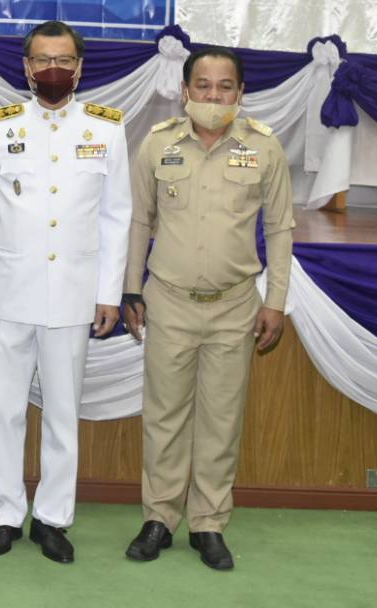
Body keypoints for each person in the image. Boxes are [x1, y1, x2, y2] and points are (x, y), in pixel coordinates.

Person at [0, 20, 132, 564]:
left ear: (79, 67)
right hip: (8, 291)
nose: (52, 69)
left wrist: (109, 294)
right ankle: (6, 513)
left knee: (63, 412)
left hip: (73, 294)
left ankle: (54, 518)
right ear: (26, 67)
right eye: (42, 60)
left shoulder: (107, 129)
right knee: (4, 409)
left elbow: (116, 217)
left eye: (63, 59)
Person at [120, 46, 294, 571]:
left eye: (224, 88)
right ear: (185, 90)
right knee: (165, 418)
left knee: (221, 419)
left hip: (235, 306)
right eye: (203, 86)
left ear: (240, 94)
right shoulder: (157, 145)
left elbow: (280, 227)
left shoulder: (265, 149)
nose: (212, 96)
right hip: (168, 301)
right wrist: (132, 289)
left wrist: (278, 302)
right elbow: (138, 222)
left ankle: (209, 523)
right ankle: (159, 519)